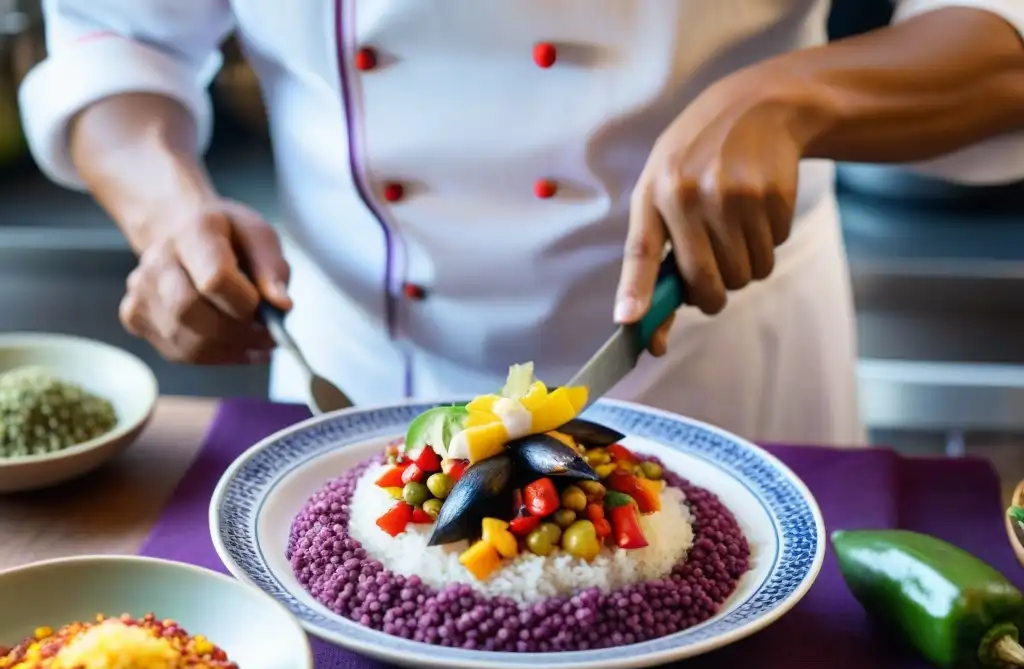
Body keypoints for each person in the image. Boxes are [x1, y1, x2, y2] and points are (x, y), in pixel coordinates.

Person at [18, 1, 1024, 446]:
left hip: (718, 365)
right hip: (352, 374)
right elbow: (119, 39)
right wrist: (170, 215)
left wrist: (798, 99)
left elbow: (1001, 34)